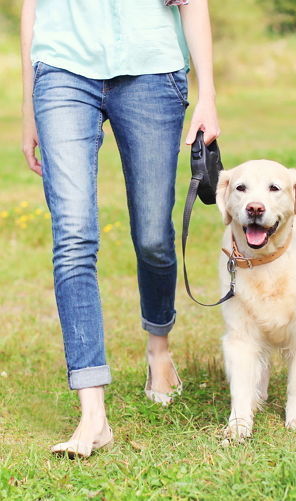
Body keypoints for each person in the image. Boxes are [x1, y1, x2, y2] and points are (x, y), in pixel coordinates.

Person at [20, 0, 220, 458]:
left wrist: (207, 93)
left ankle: (159, 349)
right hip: (62, 70)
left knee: (153, 237)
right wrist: (28, 104)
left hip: (153, 68)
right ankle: (93, 413)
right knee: (72, 236)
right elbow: (31, 9)